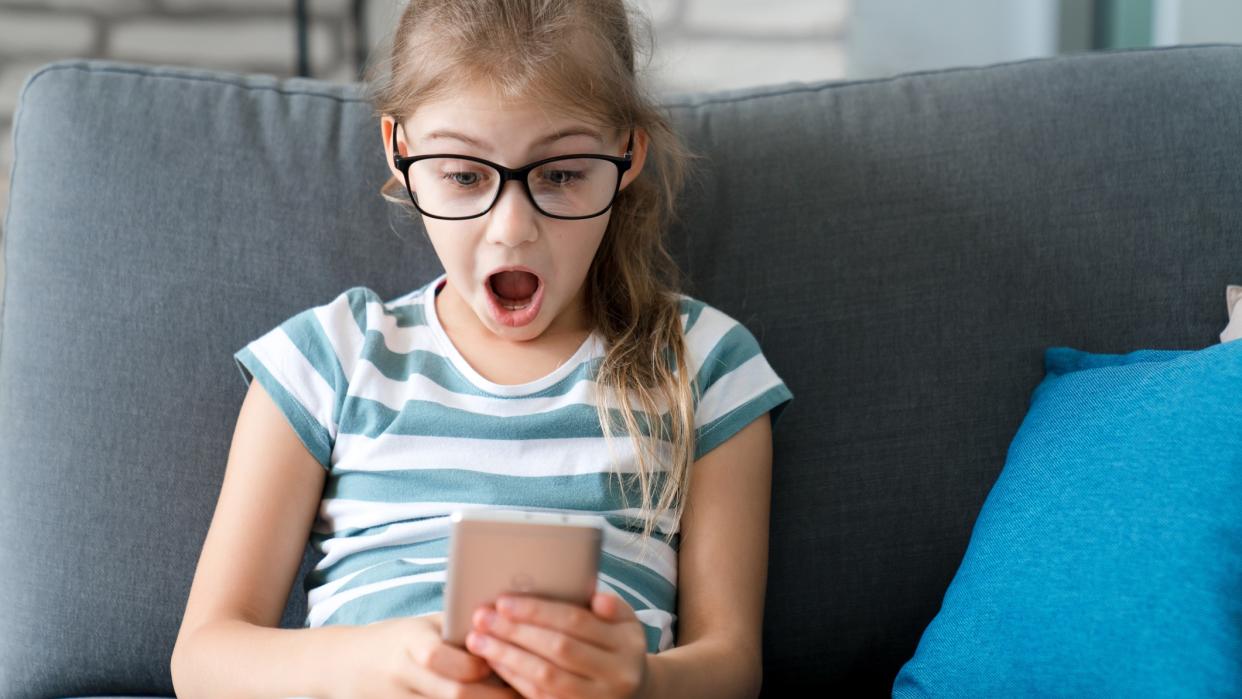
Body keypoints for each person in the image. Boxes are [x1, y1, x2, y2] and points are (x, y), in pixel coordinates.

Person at [170, 1, 793, 698]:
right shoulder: (331, 360)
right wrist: (373, 662)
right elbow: (203, 659)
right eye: (464, 175)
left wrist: (640, 681)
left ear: (627, 155)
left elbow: (732, 663)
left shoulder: (705, 363)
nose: (511, 231)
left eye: (561, 174)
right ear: (400, 152)